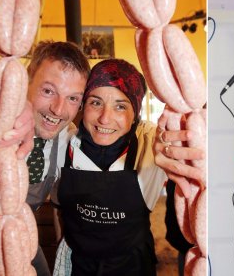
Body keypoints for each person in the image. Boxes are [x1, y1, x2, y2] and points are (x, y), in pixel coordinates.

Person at [0, 41, 90, 276]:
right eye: (48, 91)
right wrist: (2, 101)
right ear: (26, 82)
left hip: (21, 250)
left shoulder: (68, 139)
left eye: (72, 98)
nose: (58, 110)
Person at [50, 59, 168, 275]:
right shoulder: (63, 146)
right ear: (83, 106)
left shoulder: (151, 146)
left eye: (120, 106)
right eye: (96, 102)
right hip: (77, 265)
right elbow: (58, 209)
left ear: (135, 115)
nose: (105, 118)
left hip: (132, 266)